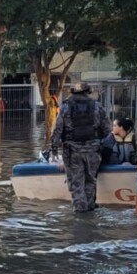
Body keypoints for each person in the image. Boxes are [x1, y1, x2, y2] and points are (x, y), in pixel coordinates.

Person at [50, 84, 111, 212]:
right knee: (90, 181)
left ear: (72, 93)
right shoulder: (97, 106)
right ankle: (90, 210)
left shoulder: (65, 108)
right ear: (88, 92)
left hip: (72, 152)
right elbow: (107, 130)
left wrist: (54, 149)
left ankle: (80, 214)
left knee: (76, 183)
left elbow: (57, 130)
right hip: (93, 151)